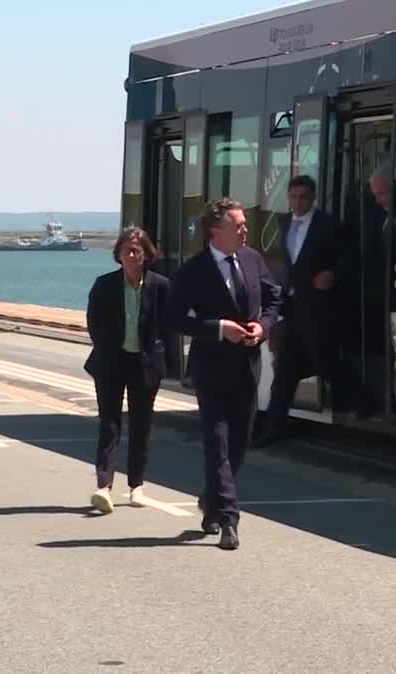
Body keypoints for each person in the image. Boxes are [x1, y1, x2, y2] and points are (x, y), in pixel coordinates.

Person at [168, 197, 280, 550]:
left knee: (237, 446)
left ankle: (212, 501)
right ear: (217, 232)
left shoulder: (252, 259)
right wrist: (218, 328)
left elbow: (274, 297)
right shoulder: (194, 270)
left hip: (247, 366)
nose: (246, 230)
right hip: (211, 369)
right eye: (239, 225)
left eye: (246, 224)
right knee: (216, 444)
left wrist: (262, 327)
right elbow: (173, 318)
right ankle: (229, 519)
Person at [83, 227, 170, 514]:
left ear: (146, 255)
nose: (132, 255)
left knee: (141, 425)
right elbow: (93, 323)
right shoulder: (104, 285)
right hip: (111, 361)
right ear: (118, 255)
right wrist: (108, 347)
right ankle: (103, 486)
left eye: (137, 251)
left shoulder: (160, 286)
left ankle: (137, 486)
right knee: (109, 423)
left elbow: (168, 325)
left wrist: (157, 354)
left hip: (144, 364)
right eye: (126, 251)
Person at [256, 175, 341, 447]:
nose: (297, 202)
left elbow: (347, 257)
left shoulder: (328, 225)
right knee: (284, 370)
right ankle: (272, 428)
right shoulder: (282, 224)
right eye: (293, 197)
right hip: (291, 308)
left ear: (313, 197)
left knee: (323, 361)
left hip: (318, 308)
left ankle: (357, 400)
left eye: (303, 197)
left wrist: (333, 274)